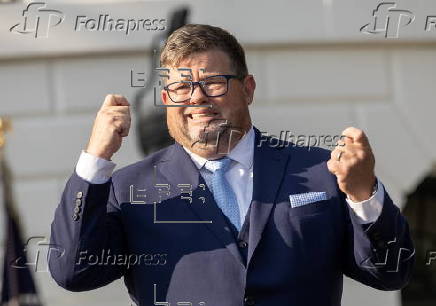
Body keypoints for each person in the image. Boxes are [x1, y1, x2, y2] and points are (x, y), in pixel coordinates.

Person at [49, 24, 414, 306]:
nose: (197, 99)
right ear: (165, 99)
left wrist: (364, 194)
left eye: (214, 83)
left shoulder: (322, 171)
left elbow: (391, 272)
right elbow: (73, 272)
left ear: (248, 88)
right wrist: (95, 160)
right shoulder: (127, 187)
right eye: (182, 88)